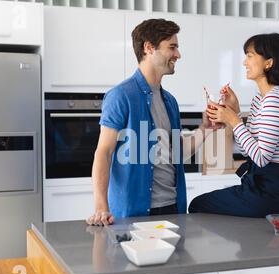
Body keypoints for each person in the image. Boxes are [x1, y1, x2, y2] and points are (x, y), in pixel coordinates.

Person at [86, 19, 215, 226]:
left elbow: (176, 152)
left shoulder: (170, 101)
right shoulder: (120, 96)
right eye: (172, 47)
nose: (178, 55)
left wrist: (205, 129)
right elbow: (104, 152)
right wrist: (101, 207)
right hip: (135, 212)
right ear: (149, 48)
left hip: (173, 208)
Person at [189, 33, 279, 218]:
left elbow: (261, 158)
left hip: (272, 193)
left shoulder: (274, 100)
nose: (244, 62)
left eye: (250, 56)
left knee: (198, 205)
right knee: (199, 205)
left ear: (269, 63)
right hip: (260, 187)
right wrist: (237, 112)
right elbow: (246, 151)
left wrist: (233, 120)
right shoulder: (261, 99)